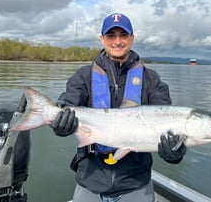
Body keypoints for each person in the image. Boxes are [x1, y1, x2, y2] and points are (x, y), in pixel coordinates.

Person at [51, 13, 187, 202]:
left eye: (123, 35)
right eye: (111, 35)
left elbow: (167, 121)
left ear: (132, 38)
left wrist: (175, 153)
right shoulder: (83, 76)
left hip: (136, 185)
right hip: (90, 182)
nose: (117, 41)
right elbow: (68, 101)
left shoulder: (152, 80)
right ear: (102, 39)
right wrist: (59, 121)